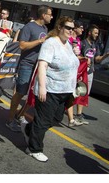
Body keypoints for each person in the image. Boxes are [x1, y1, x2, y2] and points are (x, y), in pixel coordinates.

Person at [23, 16, 80, 162]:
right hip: (50, 89)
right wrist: (42, 87)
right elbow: (42, 65)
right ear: (60, 27)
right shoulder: (50, 43)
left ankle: (30, 129)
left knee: (55, 119)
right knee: (43, 120)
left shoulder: (68, 44)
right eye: (67, 27)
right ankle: (34, 148)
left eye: (72, 28)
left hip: (65, 91)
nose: (70, 30)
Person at [6, 5, 53, 132]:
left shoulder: (45, 28)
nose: (52, 16)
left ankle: (20, 115)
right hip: (27, 64)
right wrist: (40, 41)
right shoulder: (29, 27)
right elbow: (22, 45)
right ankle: (10, 120)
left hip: (38, 67)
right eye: (50, 14)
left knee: (33, 94)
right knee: (20, 92)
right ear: (43, 15)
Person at [76, 24, 109, 124]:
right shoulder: (82, 44)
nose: (97, 35)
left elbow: (97, 59)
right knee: (75, 93)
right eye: (95, 33)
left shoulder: (95, 46)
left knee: (84, 93)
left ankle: (79, 115)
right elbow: (77, 56)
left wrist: (105, 56)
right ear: (90, 33)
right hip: (80, 73)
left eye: (98, 33)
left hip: (89, 73)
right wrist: (84, 59)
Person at [66, 20, 85, 127]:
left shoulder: (78, 40)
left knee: (71, 94)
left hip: (74, 71)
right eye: (81, 27)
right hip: (66, 71)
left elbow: (77, 56)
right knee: (68, 94)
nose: (82, 30)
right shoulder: (69, 39)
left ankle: (71, 119)